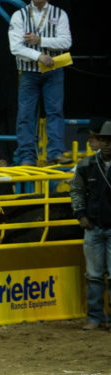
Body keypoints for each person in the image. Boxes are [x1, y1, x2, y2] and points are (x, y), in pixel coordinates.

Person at [9, 0, 72, 167]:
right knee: (26, 114)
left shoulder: (59, 14)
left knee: (55, 111)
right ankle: (27, 155)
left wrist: (40, 41)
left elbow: (66, 42)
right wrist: (39, 56)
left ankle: (56, 152)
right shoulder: (19, 15)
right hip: (29, 71)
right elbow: (15, 47)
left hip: (54, 70)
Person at [70, 121, 111, 331]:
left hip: (102, 226)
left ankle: (99, 317)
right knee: (94, 274)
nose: (106, 144)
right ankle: (95, 316)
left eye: (109, 140)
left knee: (101, 275)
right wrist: (80, 214)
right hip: (94, 225)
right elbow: (76, 190)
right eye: (103, 139)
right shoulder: (86, 165)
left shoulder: (86, 165)